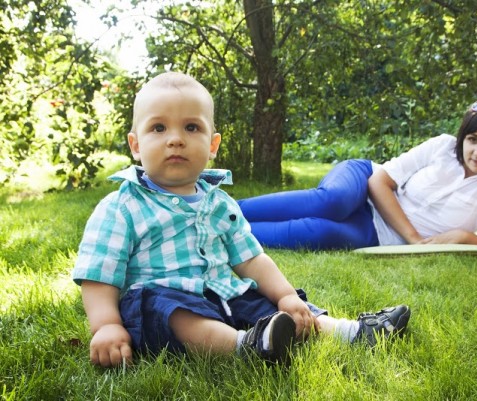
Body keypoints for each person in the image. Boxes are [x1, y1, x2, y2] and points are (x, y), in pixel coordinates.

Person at [72, 72, 411, 369]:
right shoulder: (122, 206)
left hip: (225, 295)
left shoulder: (220, 202)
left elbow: (252, 259)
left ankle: (351, 332)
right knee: (172, 309)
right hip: (163, 304)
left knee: (272, 305)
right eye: (158, 128)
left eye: (192, 127)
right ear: (135, 144)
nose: (175, 138)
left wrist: (286, 295)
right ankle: (243, 347)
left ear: (212, 145)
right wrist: (106, 326)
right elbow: (100, 275)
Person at [238, 99, 477, 251]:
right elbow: (380, 182)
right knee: (333, 202)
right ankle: (224, 210)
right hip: (363, 184)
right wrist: (414, 238)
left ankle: (223, 232)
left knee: (321, 231)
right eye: (473, 139)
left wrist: (465, 237)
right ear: (463, 138)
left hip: (379, 234)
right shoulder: (442, 146)